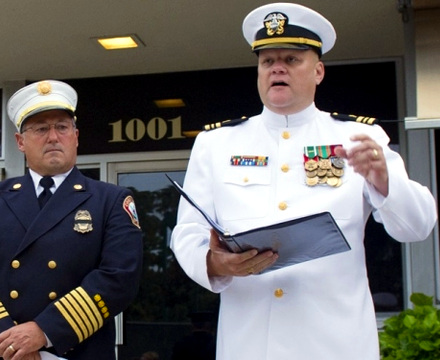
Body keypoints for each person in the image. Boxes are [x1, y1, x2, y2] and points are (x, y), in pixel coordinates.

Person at [170, 3, 437, 360]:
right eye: (267, 61)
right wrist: (214, 264)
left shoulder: (359, 136)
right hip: (250, 344)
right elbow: (187, 233)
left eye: (292, 59)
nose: (277, 67)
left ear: (319, 71)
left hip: (336, 344)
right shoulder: (217, 144)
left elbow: (417, 226)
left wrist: (385, 181)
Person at [0, 80, 143, 360]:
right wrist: (11, 342)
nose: (53, 137)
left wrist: (43, 332)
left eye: (62, 127)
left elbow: (119, 278)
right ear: (20, 141)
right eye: (41, 129)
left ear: (76, 136)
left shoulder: (111, 200)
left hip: (77, 351)